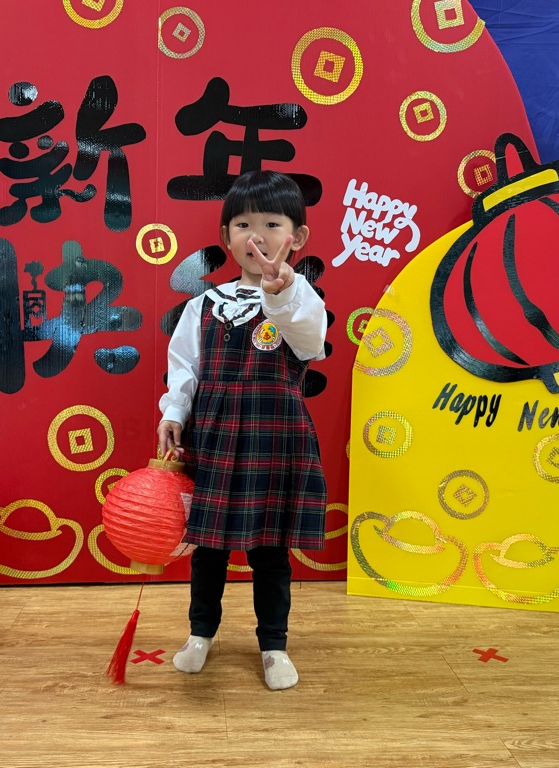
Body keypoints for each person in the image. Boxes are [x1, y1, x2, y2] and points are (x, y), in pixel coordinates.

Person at [157, 170, 327, 690]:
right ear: (226, 237)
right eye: (243, 225)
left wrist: (281, 292)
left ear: (297, 237)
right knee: (208, 548)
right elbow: (184, 368)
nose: (257, 237)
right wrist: (173, 414)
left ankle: (274, 645)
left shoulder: (300, 299)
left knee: (269, 551)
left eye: (272, 224)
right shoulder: (204, 305)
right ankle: (199, 635)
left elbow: (311, 343)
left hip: (274, 439)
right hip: (213, 436)